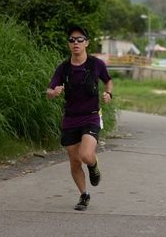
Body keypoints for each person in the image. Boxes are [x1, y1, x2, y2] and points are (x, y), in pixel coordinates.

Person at [46, 25, 113, 211]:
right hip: (70, 119)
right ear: (69, 44)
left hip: (91, 117)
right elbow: (49, 92)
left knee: (86, 155)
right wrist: (54, 92)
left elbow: (108, 81)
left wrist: (108, 93)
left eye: (80, 39)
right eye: (72, 40)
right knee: (75, 161)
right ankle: (84, 195)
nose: (76, 42)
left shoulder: (96, 64)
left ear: (87, 43)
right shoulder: (63, 68)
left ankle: (93, 164)